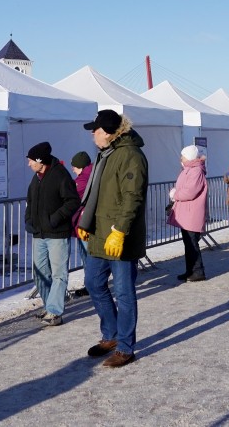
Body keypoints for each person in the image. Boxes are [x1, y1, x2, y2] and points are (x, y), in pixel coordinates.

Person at [76, 110, 147, 368]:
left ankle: (125, 347)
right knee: (93, 283)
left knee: (124, 293)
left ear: (107, 133)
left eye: (94, 130)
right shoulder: (106, 154)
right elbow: (98, 193)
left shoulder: (130, 155)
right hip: (100, 232)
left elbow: (132, 197)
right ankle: (112, 335)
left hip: (119, 235)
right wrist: (86, 221)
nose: (92, 135)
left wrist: (119, 231)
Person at [25, 142, 80, 327]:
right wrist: (28, 219)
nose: (29, 164)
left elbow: (73, 201)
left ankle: (55, 312)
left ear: (40, 160)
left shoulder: (60, 174)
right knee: (39, 274)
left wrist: (55, 219)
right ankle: (50, 306)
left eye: (31, 160)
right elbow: (30, 201)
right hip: (39, 234)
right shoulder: (36, 178)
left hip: (57, 234)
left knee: (58, 274)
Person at [168, 145, 208, 282]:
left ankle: (198, 271)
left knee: (192, 243)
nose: (181, 157)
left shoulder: (195, 171)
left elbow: (190, 191)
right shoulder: (188, 169)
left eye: (183, 155)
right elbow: (183, 187)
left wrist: (175, 194)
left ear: (189, 157)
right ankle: (190, 270)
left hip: (192, 212)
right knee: (188, 242)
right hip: (187, 212)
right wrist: (175, 191)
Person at [71, 151, 93, 274]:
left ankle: (91, 281)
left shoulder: (83, 179)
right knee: (87, 255)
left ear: (80, 166)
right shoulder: (89, 175)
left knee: (88, 256)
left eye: (74, 167)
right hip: (85, 221)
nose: (73, 170)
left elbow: (71, 194)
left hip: (85, 222)